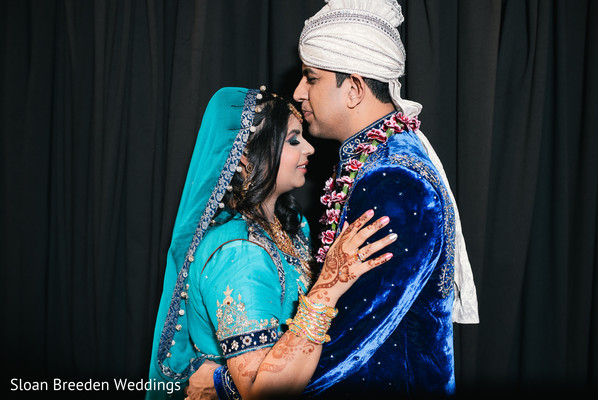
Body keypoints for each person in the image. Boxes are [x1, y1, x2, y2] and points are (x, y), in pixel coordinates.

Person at [184, 1, 480, 399]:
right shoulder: (378, 160)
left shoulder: (393, 180)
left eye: (311, 78)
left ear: (354, 88)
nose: (298, 92)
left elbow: (353, 338)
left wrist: (225, 387)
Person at [146, 86, 397, 399]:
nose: (309, 149)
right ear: (246, 158)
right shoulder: (239, 253)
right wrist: (330, 284)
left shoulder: (290, 227)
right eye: (293, 140)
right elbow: (261, 392)